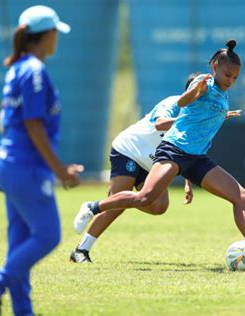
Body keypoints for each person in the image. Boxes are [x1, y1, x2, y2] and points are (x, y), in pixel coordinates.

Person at [74, 39, 245, 269]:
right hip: (161, 150)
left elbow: (199, 124)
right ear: (215, 66)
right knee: (142, 199)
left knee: (240, 197)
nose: (231, 81)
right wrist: (194, 93)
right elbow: (182, 103)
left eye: (235, 78)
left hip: (194, 158)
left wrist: (220, 117)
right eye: (228, 75)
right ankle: (92, 209)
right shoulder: (203, 83)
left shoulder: (222, 94)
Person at [0, 6, 83, 316]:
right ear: (47, 35)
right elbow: (34, 125)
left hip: (8, 164)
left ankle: (23, 311)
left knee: (19, 242)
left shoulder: (18, 67)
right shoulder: (34, 70)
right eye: (55, 33)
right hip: (25, 167)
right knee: (48, 236)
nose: (56, 39)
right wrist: (60, 169)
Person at [70, 75, 200, 263]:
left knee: (159, 206)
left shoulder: (197, 118)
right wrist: (185, 120)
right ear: (190, 92)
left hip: (152, 162)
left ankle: (117, 199)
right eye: (201, 91)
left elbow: (187, 150)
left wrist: (188, 182)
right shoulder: (172, 103)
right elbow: (160, 123)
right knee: (116, 207)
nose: (204, 95)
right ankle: (81, 251)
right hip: (129, 150)